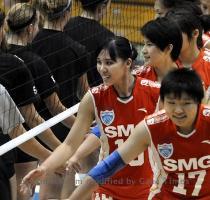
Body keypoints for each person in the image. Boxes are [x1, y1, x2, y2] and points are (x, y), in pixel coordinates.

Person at [20, 36, 161, 200]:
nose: (102, 69)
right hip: (107, 187)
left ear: (128, 63)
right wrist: (44, 168)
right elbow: (69, 144)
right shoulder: (93, 97)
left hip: (146, 187)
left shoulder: (154, 93)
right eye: (99, 62)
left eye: (109, 63)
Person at [60, 67, 210, 199]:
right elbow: (108, 166)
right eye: (171, 103)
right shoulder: (150, 127)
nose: (178, 110)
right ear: (163, 102)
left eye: (186, 103)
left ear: (199, 102)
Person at [5, 3, 76, 199]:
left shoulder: (7, 57)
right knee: (23, 193)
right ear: (30, 28)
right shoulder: (29, 62)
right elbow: (49, 110)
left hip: (12, 140)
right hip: (23, 138)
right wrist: (62, 148)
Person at [31, 0, 91, 198]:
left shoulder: (31, 43)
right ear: (68, 13)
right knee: (64, 187)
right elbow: (84, 94)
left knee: (37, 186)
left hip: (32, 123)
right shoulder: (77, 49)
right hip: (64, 124)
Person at [64, 0, 114, 87]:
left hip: (65, 93)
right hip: (94, 95)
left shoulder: (65, 25)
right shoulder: (108, 37)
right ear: (102, 6)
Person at [165, 9, 210, 104]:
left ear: (195, 33)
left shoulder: (208, 64)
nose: (171, 39)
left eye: (176, 34)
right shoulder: (162, 62)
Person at [133, 17, 182, 82]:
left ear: (168, 48)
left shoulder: (188, 82)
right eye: (144, 44)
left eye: (149, 44)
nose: (143, 51)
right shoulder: (136, 77)